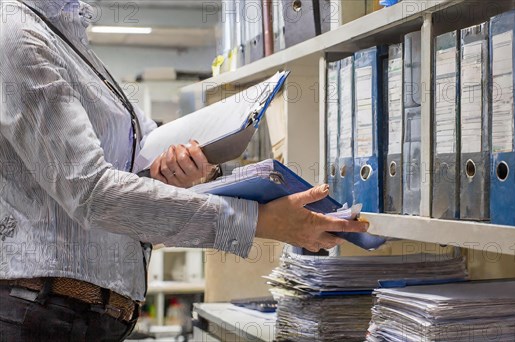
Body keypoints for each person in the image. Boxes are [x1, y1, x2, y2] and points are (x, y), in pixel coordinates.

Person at [0, 0, 368, 340]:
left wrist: (193, 170)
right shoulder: (17, 32)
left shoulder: (66, 35)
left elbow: (140, 159)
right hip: (41, 314)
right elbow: (93, 193)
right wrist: (257, 222)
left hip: (83, 316)